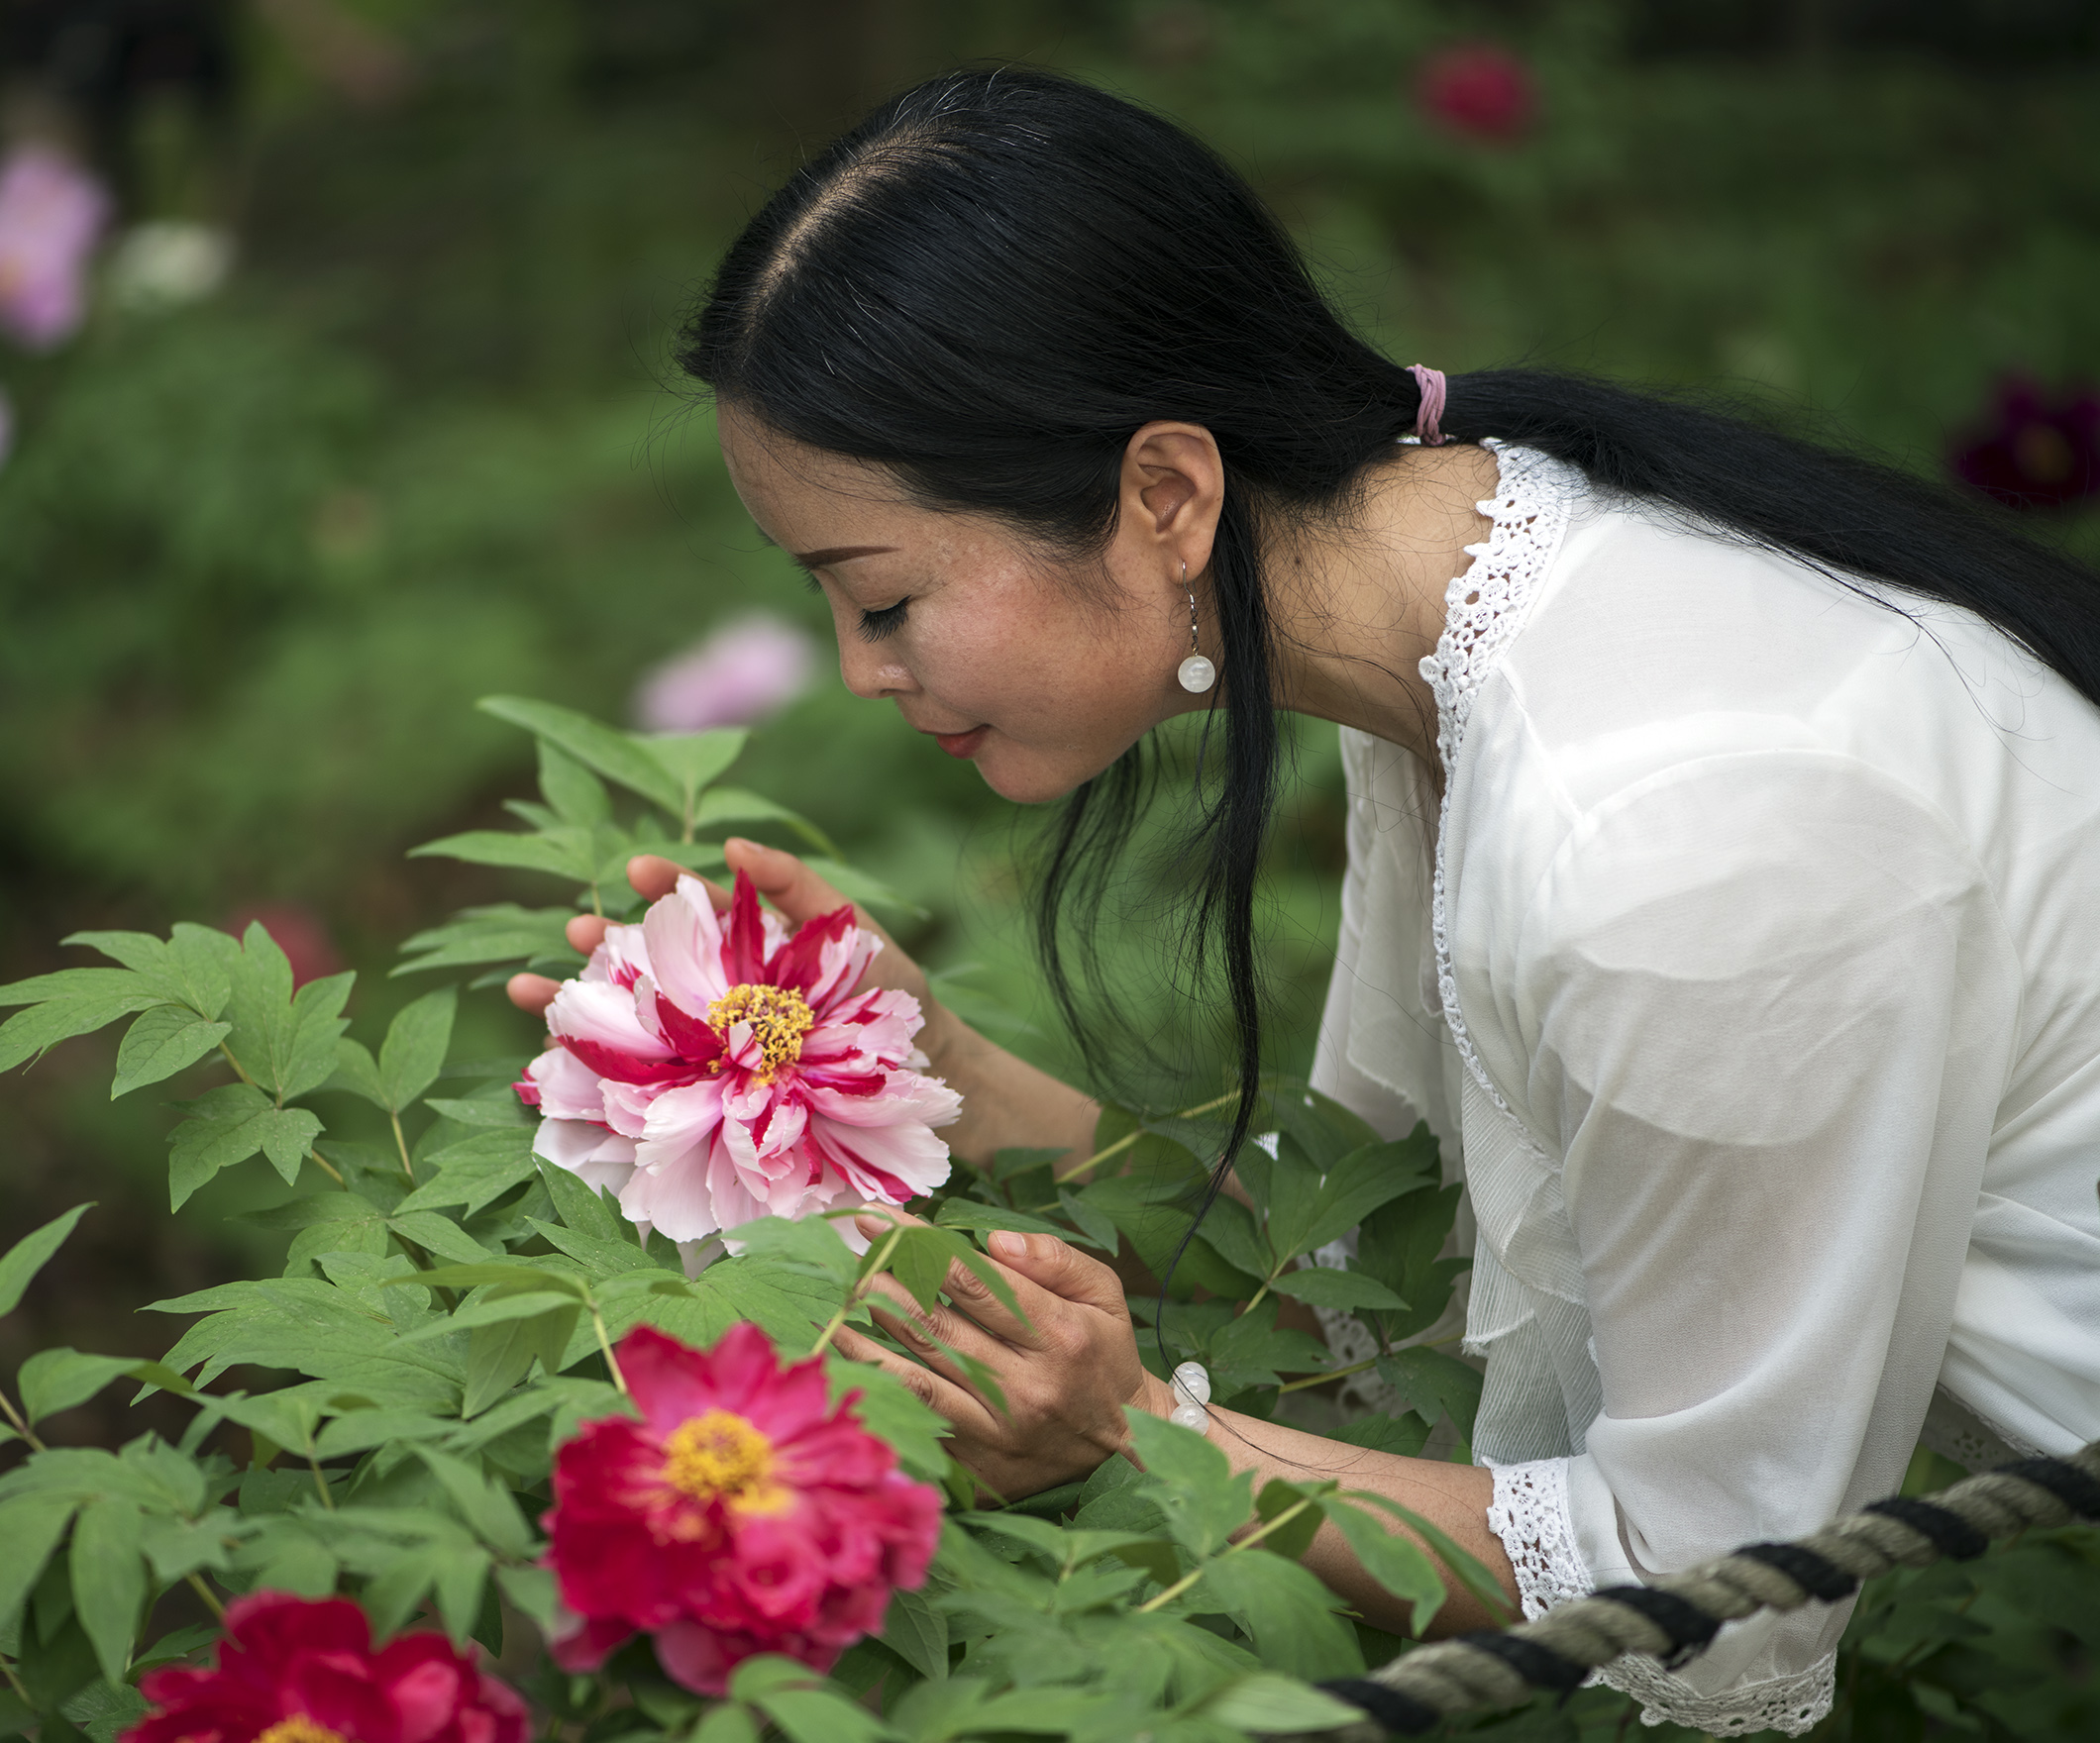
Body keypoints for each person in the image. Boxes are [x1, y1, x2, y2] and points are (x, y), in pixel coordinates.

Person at [506, 67, 2100, 1736]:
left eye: (885, 597)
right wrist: (930, 1073)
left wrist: (1142, 1435)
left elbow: (1716, 1579)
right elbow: (1368, 1248)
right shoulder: (1475, 598)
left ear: (1168, 494)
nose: (860, 672)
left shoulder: (1669, 845)